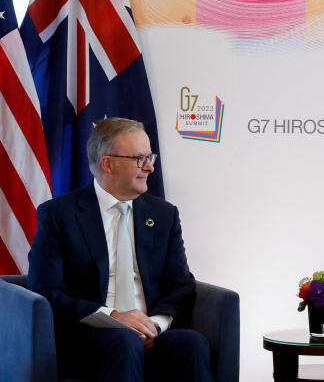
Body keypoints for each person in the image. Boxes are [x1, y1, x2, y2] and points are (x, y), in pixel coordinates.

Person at [28, 117, 213, 382]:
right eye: (140, 159)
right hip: (90, 334)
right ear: (108, 163)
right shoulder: (59, 215)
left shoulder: (164, 214)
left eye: (150, 157)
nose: (149, 167)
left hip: (152, 331)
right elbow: (45, 290)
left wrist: (155, 326)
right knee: (124, 343)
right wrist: (114, 318)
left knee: (192, 344)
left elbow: (181, 285)